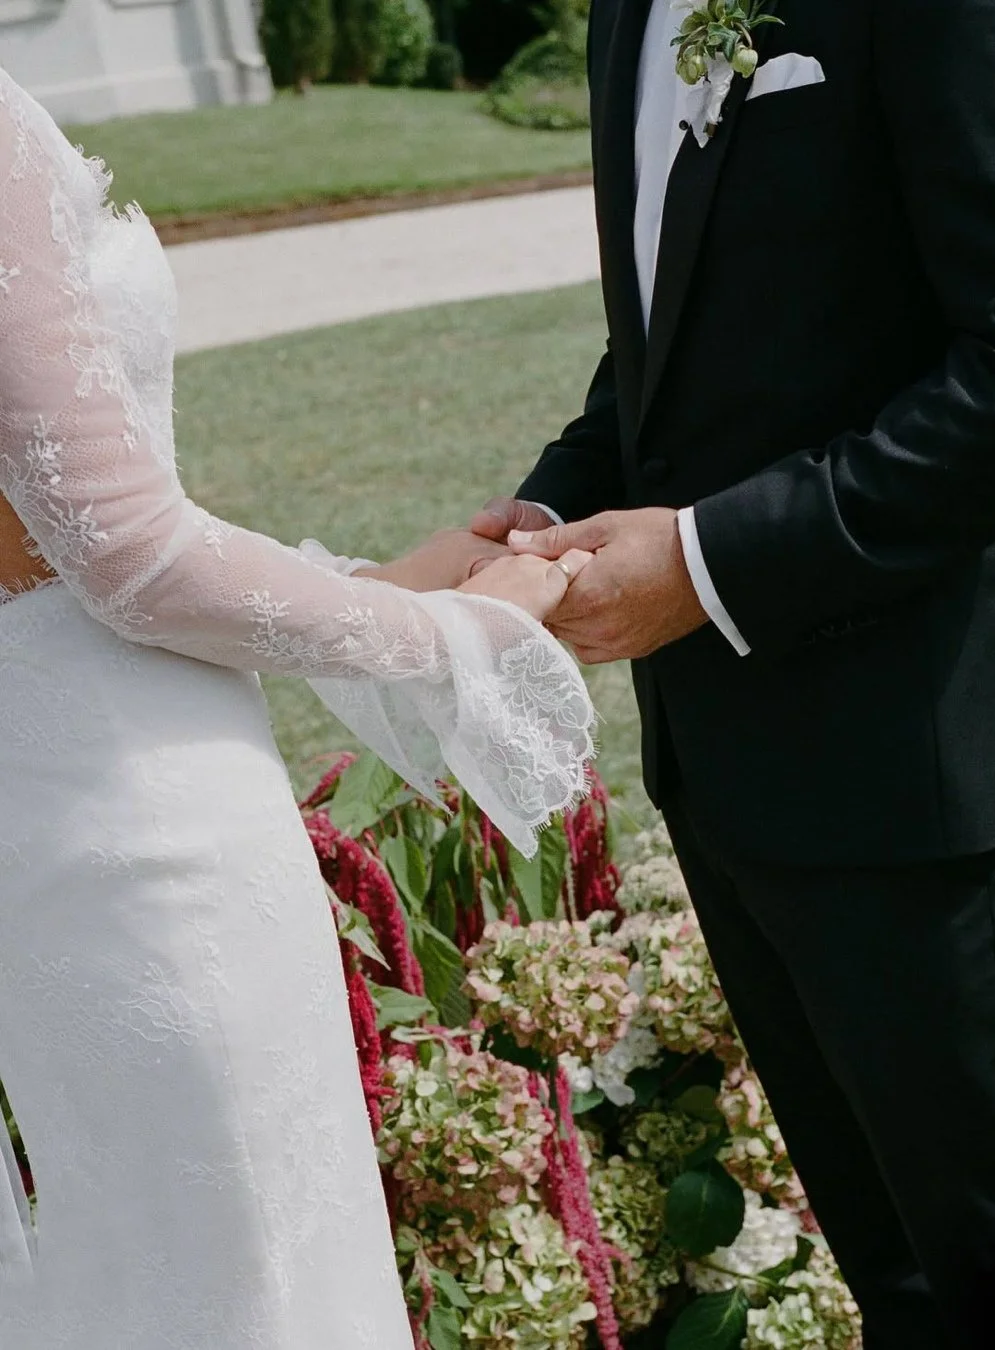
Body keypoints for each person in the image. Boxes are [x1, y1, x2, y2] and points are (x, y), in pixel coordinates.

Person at [473, 0, 995, 1344]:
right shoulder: (628, 16)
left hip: (911, 763)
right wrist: (552, 506)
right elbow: (680, 326)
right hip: (722, 768)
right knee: (898, 1273)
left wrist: (702, 564)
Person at [0, 66, 594, 1349]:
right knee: (252, 1279)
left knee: (154, 1263)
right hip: (137, 822)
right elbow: (128, 556)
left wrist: (358, 589)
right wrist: (449, 632)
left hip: (43, 795)